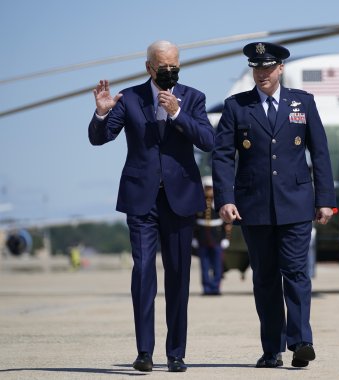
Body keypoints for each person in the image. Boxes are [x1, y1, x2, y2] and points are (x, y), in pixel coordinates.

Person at [88, 40, 214, 373]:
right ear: (149, 67)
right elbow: (100, 138)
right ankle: (144, 351)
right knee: (143, 272)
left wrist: (177, 113)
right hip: (142, 199)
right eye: (163, 66)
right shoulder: (129, 98)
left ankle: (176, 352)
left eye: (175, 65)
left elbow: (208, 140)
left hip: (181, 199)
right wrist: (102, 113)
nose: (170, 71)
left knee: (178, 275)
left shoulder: (193, 98)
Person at [212, 42, 336, 369]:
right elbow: (223, 156)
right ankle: (272, 349)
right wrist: (225, 199)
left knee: (296, 272)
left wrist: (325, 200)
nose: (262, 73)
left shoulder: (302, 103)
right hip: (253, 207)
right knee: (265, 278)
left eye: (268, 68)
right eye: (257, 68)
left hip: (296, 205)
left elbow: (319, 153)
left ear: (280, 68)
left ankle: (300, 342)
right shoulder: (237, 106)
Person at [193, 175, 231, 295]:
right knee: (204, 265)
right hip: (202, 237)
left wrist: (226, 238)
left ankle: (215, 288)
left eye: (210, 188)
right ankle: (207, 288)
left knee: (217, 265)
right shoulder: (198, 203)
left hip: (217, 237)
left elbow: (227, 223)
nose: (209, 190)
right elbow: (193, 222)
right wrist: (193, 237)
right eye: (207, 188)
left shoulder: (220, 203)